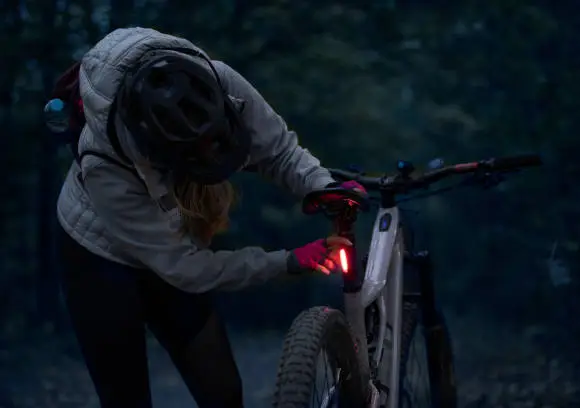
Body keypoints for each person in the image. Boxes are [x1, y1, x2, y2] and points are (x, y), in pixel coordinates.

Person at [54, 27, 365, 408]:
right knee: (126, 400)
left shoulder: (218, 81)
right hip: (97, 258)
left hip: (170, 245)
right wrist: (288, 260)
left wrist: (322, 187)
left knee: (222, 391)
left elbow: (280, 149)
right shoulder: (105, 166)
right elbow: (190, 269)